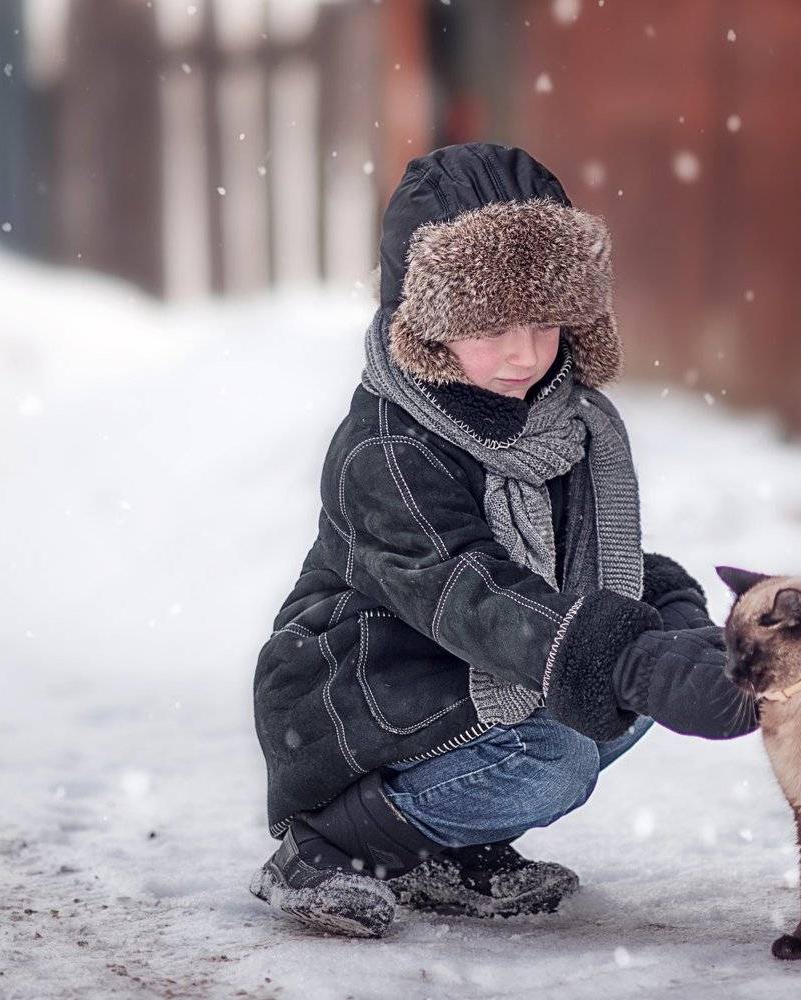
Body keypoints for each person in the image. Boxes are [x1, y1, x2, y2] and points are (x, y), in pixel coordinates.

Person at [249, 143, 758, 938]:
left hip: (468, 677)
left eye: (545, 320)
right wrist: (627, 655)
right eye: (490, 325)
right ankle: (328, 846)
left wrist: (686, 632)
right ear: (430, 326)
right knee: (557, 752)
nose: (525, 353)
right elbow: (468, 590)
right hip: (366, 689)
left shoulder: (564, 425)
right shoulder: (387, 449)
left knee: (624, 696)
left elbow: (599, 567)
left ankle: (449, 848)